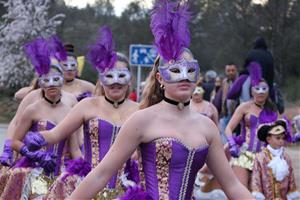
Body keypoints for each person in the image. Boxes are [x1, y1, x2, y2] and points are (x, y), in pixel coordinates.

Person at [58, 1, 251, 199]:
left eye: (190, 70)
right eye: (175, 70)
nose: (184, 77)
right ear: (160, 78)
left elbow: (232, 186)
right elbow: (101, 174)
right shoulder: (142, 120)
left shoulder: (207, 127)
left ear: (197, 76)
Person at [22, 26, 139, 199]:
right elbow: (57, 133)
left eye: (121, 76)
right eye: (109, 76)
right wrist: (38, 138)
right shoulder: (87, 106)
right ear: (101, 78)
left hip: (126, 190)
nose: (115, 82)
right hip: (86, 187)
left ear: (130, 79)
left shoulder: (140, 111)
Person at [1, 37, 81, 199]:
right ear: (41, 82)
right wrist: (34, 155)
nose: (51, 85)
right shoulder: (32, 108)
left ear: (62, 81)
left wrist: (86, 168)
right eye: (47, 80)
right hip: (35, 170)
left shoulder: (70, 108)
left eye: (56, 80)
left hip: (63, 174)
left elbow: (74, 149)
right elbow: (15, 140)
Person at [225, 68, 279, 188]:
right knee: (241, 191)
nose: (260, 92)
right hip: (244, 154)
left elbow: (280, 132)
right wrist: (232, 144)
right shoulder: (244, 107)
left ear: (268, 91)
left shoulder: (273, 110)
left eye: (264, 89)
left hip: (265, 157)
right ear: (251, 91)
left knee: (262, 193)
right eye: (257, 88)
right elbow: (229, 128)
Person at [251, 116, 300, 200]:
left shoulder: (286, 157)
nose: (281, 140)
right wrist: (258, 194)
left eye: (282, 138)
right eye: (278, 138)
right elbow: (256, 178)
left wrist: (292, 193)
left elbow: (291, 177)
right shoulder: (261, 157)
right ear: (268, 139)